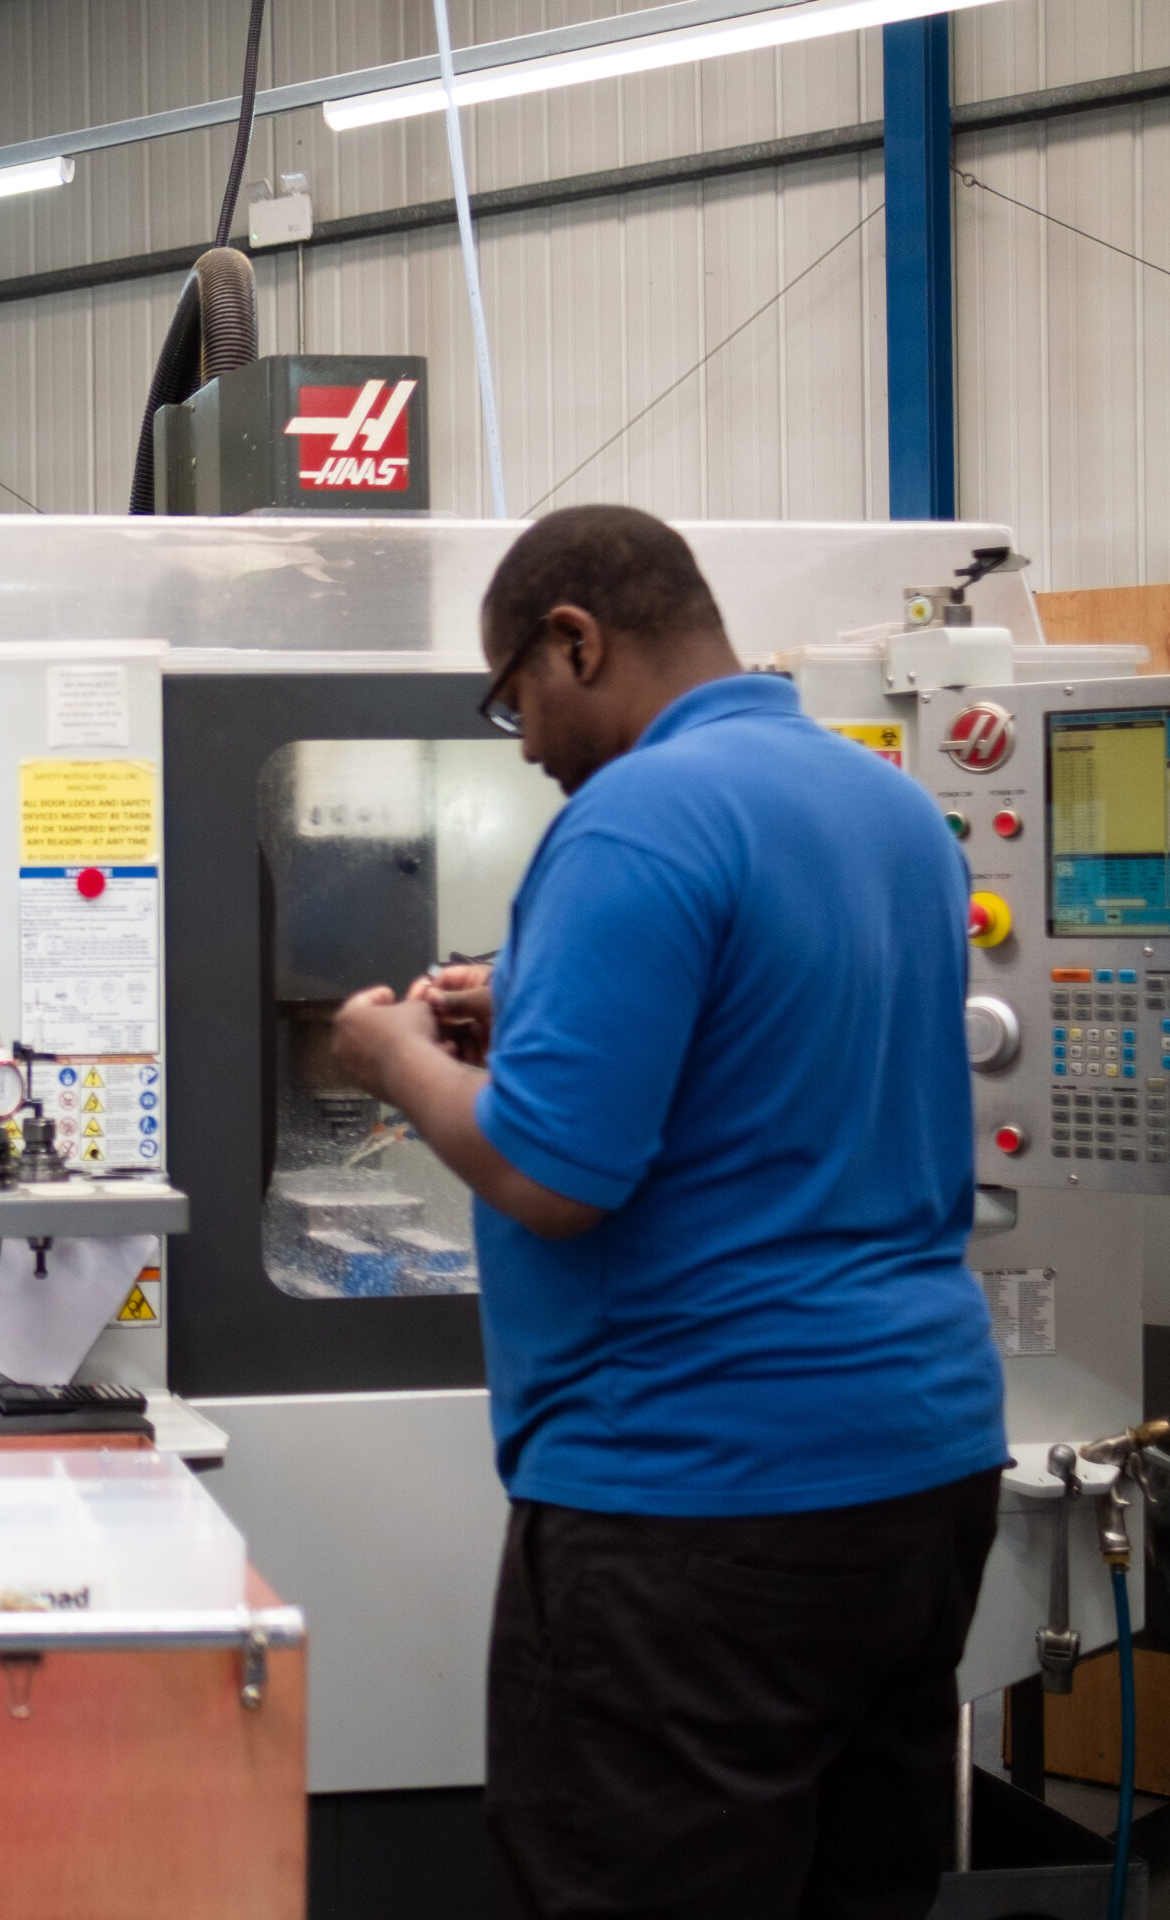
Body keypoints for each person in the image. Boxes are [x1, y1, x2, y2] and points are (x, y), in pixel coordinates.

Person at [330, 506, 1008, 1918]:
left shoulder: (635, 816)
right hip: (921, 1474)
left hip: (697, 1499)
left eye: (515, 697)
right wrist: (538, 1006)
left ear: (575, 640)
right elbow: (777, 1047)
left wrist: (392, 1059)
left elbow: (552, 1177)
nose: (524, 743)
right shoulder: (891, 808)